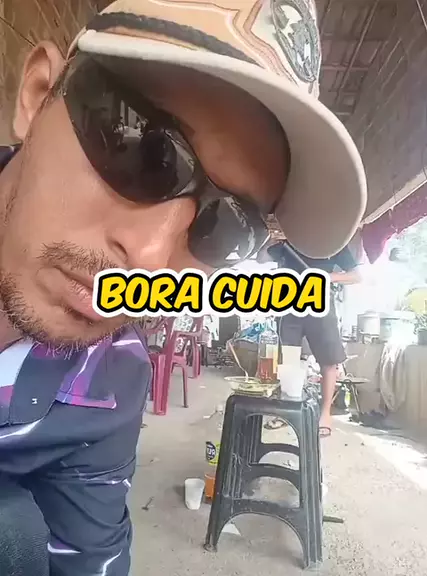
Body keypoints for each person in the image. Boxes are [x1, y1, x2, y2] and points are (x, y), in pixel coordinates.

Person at [0, 0, 366, 574]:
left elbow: (90, 556)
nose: (148, 257)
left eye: (227, 227)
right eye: (143, 152)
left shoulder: (111, 377)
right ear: (38, 94)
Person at [260, 239, 363, 436]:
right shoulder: (289, 241)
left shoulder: (334, 242)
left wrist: (326, 276)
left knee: (329, 360)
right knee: (288, 360)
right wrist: (269, 241)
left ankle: (325, 414)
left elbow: (356, 276)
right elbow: (261, 258)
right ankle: (286, 412)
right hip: (289, 301)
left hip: (320, 302)